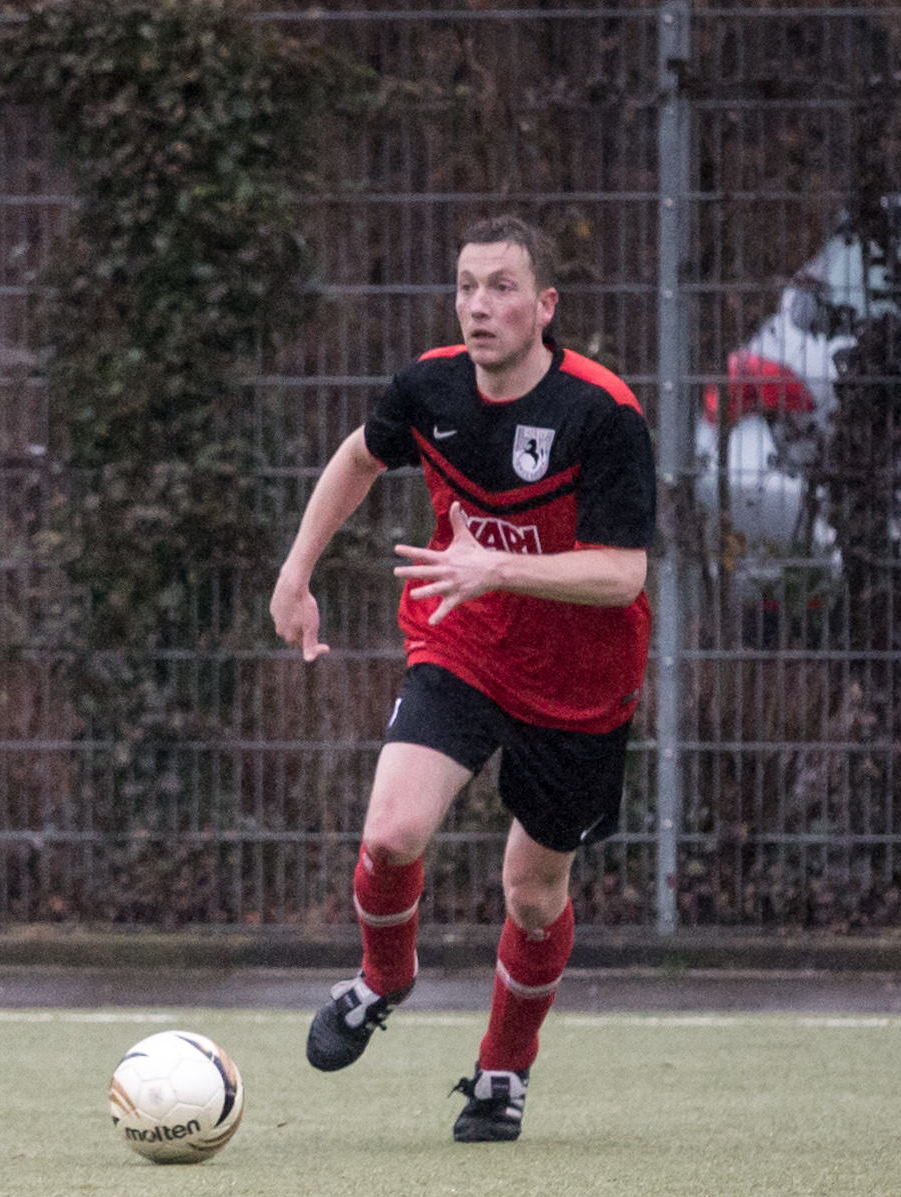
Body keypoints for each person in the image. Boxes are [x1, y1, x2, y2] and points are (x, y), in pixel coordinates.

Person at [268, 216, 655, 1143]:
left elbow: (622, 575)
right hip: (464, 642)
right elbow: (359, 456)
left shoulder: (601, 413)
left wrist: (498, 566)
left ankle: (502, 1071)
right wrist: (296, 571)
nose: (479, 306)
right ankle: (384, 977)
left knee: (532, 894)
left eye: (502, 288)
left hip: (581, 681)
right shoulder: (430, 387)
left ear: (545, 306)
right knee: (392, 831)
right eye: (467, 287)